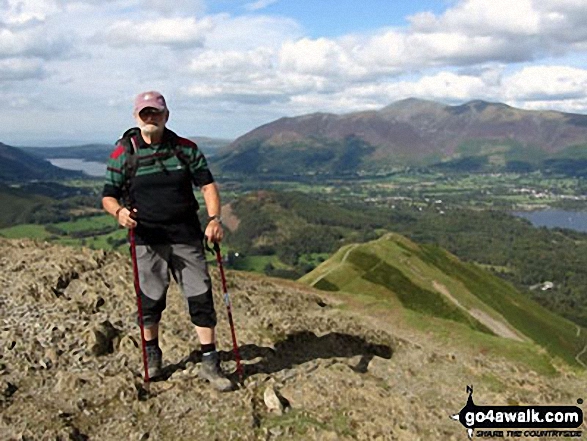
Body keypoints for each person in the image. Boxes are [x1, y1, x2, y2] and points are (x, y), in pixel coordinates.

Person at [101, 91, 232, 391]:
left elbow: (207, 185)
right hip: (147, 238)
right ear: (136, 116)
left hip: (185, 235)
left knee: (200, 296)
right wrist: (119, 212)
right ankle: (153, 355)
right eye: (145, 113)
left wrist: (214, 220)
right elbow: (108, 195)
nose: (151, 118)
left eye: (156, 113)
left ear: (166, 115)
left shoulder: (185, 149)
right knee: (150, 300)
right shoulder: (124, 153)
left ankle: (210, 363)